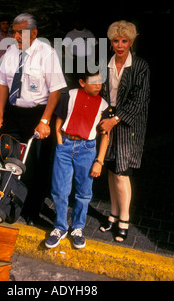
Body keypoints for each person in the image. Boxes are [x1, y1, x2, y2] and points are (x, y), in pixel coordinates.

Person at [0, 13, 67, 224]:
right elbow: (2, 85)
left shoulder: (47, 54)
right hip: (14, 113)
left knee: (36, 165)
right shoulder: (10, 54)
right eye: (14, 31)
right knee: (9, 159)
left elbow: (55, 91)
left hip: (39, 114)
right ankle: (9, 203)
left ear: (34, 33)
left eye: (20, 32)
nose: (15, 36)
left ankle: (33, 210)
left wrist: (44, 121)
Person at [45, 70, 109, 250]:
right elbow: (59, 119)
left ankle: (78, 228)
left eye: (100, 82)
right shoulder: (70, 95)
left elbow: (105, 135)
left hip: (87, 150)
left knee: (84, 192)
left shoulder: (103, 105)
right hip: (65, 146)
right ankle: (60, 227)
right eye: (94, 82)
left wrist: (99, 161)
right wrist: (59, 142)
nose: (98, 86)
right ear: (82, 82)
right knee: (59, 190)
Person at [98, 20, 150, 242]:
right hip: (107, 119)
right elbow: (98, 92)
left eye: (124, 41)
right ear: (111, 43)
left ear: (131, 42)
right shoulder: (103, 64)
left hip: (128, 125)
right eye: (116, 41)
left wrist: (115, 119)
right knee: (111, 169)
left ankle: (124, 219)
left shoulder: (140, 66)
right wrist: (102, 117)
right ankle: (114, 213)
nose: (120, 45)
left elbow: (140, 101)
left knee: (122, 172)